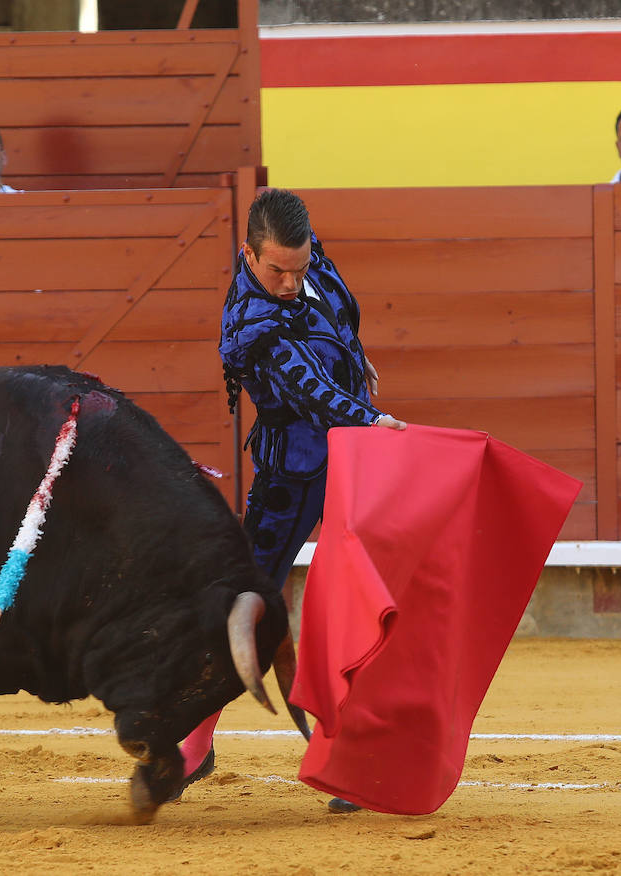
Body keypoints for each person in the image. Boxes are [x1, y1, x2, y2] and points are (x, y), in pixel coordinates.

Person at [172, 188, 406, 813]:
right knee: (248, 599)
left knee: (365, 597)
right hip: (295, 468)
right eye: (276, 269)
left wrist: (358, 360)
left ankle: (345, 749)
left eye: (298, 268)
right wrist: (371, 416)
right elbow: (309, 392)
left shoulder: (306, 258)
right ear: (247, 254)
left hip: (351, 462)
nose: (288, 280)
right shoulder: (251, 323)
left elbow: (339, 315)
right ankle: (197, 734)